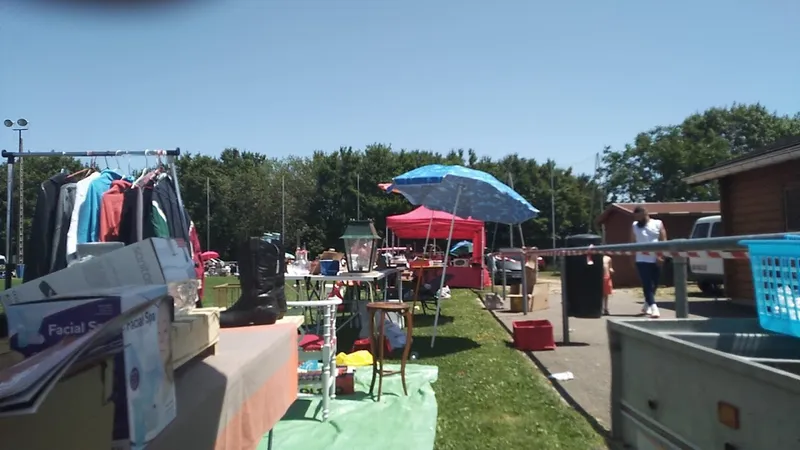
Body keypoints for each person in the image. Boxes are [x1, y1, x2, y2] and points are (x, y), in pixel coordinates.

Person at [630, 206, 667, 318]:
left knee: (655, 283)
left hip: (655, 257)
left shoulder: (658, 223)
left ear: (645, 213)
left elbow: (663, 239)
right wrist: (632, 257)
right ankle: (654, 307)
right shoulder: (635, 226)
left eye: (639, 216)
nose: (637, 219)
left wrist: (661, 255)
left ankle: (647, 304)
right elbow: (632, 242)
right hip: (641, 258)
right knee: (647, 283)